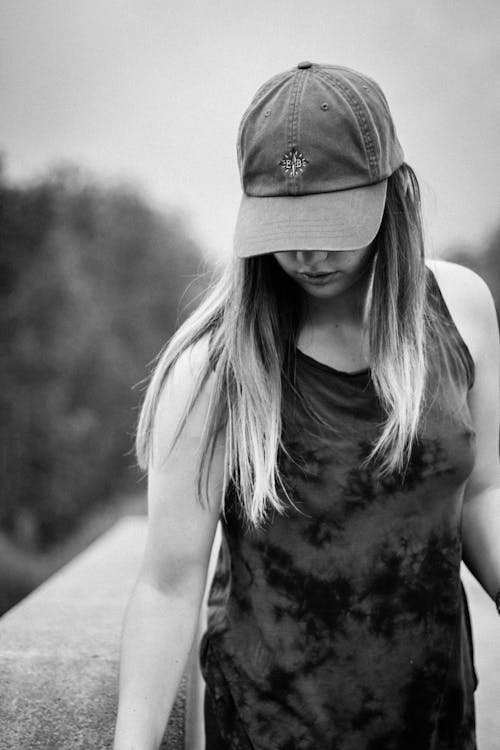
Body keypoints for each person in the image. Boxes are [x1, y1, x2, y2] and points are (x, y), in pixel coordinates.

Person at [113, 62, 500, 750]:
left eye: (332, 221)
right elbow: (169, 587)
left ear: (394, 193)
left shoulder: (463, 311)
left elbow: (482, 490)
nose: (307, 251)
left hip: (436, 727)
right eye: (285, 223)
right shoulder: (212, 372)